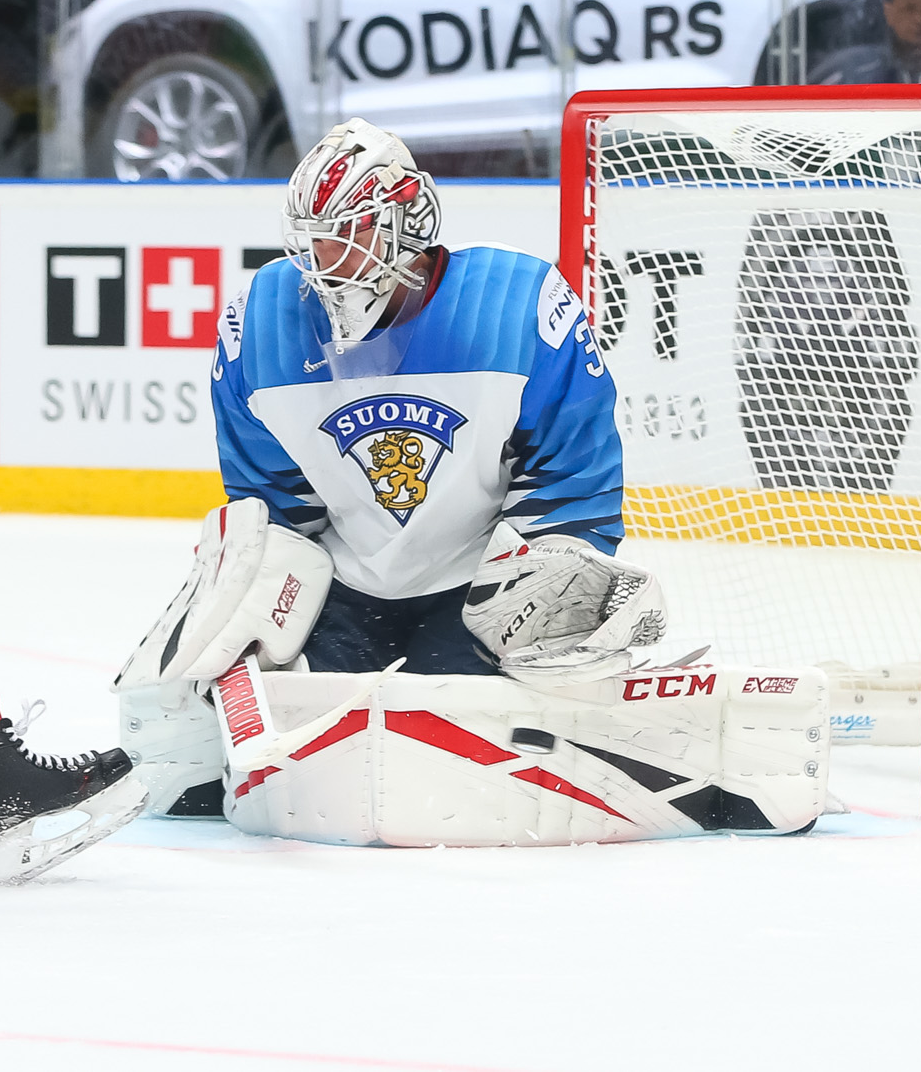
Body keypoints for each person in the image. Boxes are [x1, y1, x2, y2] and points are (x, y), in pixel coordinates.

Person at [114, 120, 636, 820]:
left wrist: (545, 577)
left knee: (452, 765)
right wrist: (252, 592)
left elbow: (575, 475)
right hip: (347, 587)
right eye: (310, 236)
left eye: (344, 232)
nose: (320, 256)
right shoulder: (259, 323)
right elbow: (271, 503)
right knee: (256, 761)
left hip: (478, 587)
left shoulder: (517, 302)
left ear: (403, 222)